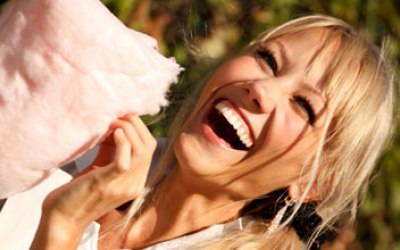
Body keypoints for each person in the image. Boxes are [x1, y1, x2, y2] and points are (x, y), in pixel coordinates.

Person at [30, 15, 395, 250]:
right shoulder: (78, 143)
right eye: (267, 60)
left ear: (315, 182)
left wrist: (63, 226)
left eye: (304, 105)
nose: (261, 88)